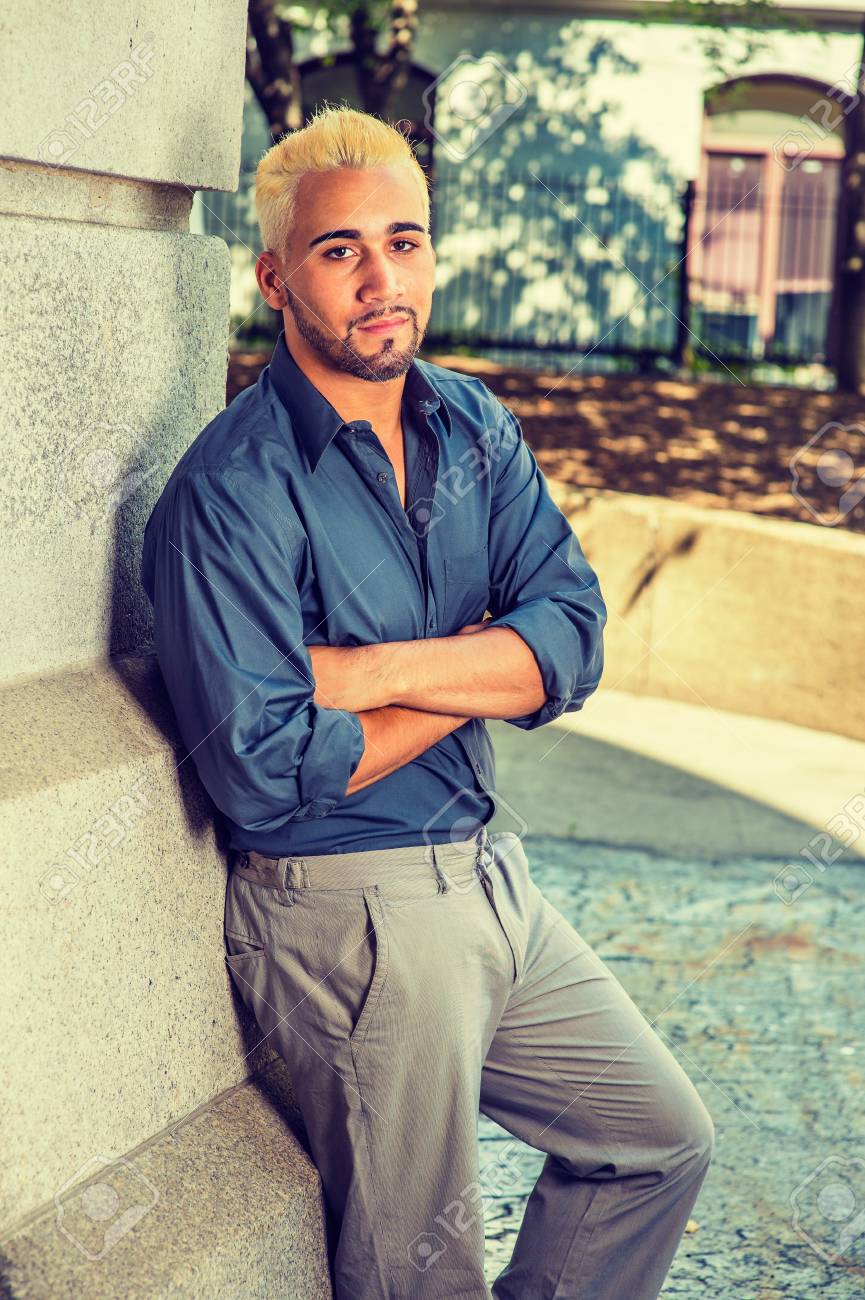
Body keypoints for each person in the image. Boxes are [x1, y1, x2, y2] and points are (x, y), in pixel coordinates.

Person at [140, 102, 714, 1300]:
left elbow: (571, 640)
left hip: (489, 876)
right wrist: (482, 665)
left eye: (403, 242)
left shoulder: (471, 425)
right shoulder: (230, 490)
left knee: (654, 1142)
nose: (380, 279)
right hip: (351, 910)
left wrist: (383, 669)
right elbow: (266, 768)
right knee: (421, 1273)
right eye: (339, 250)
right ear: (275, 280)